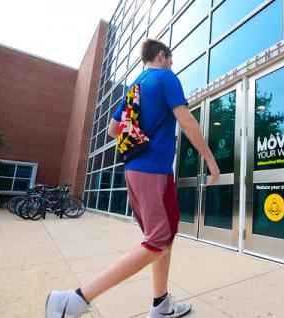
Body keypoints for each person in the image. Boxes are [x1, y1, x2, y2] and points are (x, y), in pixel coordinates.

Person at [45, 39, 220, 318]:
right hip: (155, 172)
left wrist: (141, 128)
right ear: (162, 55)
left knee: (162, 239)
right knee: (158, 242)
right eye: (171, 59)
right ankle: (75, 299)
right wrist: (210, 159)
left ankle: (161, 305)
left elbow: (113, 130)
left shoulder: (134, 87)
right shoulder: (166, 78)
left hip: (134, 172)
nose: (171, 64)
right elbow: (186, 121)